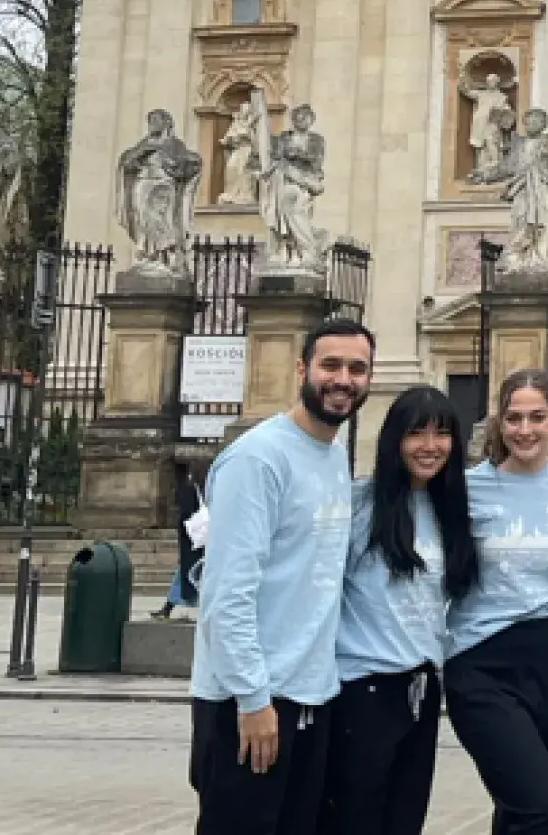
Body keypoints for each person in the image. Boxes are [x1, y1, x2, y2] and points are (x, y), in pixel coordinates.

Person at [189, 319, 375, 835]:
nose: (343, 379)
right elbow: (226, 593)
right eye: (330, 365)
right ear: (302, 369)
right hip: (250, 702)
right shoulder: (258, 459)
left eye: (356, 368)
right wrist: (253, 698)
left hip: (311, 694)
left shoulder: (333, 454)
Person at [318, 386, 478, 835]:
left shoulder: (448, 509)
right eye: (417, 434)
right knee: (354, 819)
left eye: (442, 434)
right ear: (394, 440)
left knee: (404, 820)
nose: (430, 446)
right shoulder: (359, 505)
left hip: (422, 688)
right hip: (364, 690)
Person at [446, 369, 548, 835]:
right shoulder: (467, 488)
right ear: (498, 423)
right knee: (543, 806)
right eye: (513, 418)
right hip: (480, 659)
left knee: (517, 808)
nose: (524, 430)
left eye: (536, 417)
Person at [154, 466, 207, 620]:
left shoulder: (189, 490)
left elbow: (185, 515)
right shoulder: (203, 490)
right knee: (186, 574)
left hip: (194, 541)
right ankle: (167, 608)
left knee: (188, 574)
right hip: (199, 540)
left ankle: (168, 608)